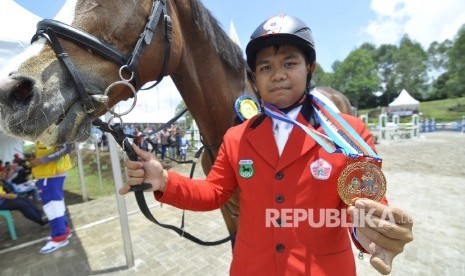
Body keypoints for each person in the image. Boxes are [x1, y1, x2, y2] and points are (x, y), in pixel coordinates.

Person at [120, 14, 413, 275]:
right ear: (255, 78)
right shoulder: (237, 137)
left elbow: (368, 202)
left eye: (290, 63)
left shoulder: (349, 133)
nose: (278, 74)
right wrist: (164, 180)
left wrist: (377, 232)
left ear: (310, 68)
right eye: (265, 67)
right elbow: (213, 192)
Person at [30, 142, 73, 254]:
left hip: (50, 174)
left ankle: (59, 238)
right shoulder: (49, 128)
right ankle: (63, 231)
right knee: (57, 205)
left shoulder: (52, 127)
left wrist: (41, 160)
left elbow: (66, 147)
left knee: (52, 207)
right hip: (50, 174)